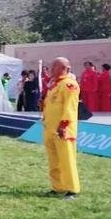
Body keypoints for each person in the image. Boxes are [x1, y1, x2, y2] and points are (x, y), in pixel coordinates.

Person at [41, 57, 80, 200]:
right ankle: (57, 187)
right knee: (54, 160)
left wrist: (63, 125)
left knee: (67, 159)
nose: (51, 70)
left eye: (55, 67)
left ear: (65, 68)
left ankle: (72, 189)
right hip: (50, 128)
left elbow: (70, 107)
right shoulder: (55, 85)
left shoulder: (70, 85)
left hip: (63, 130)